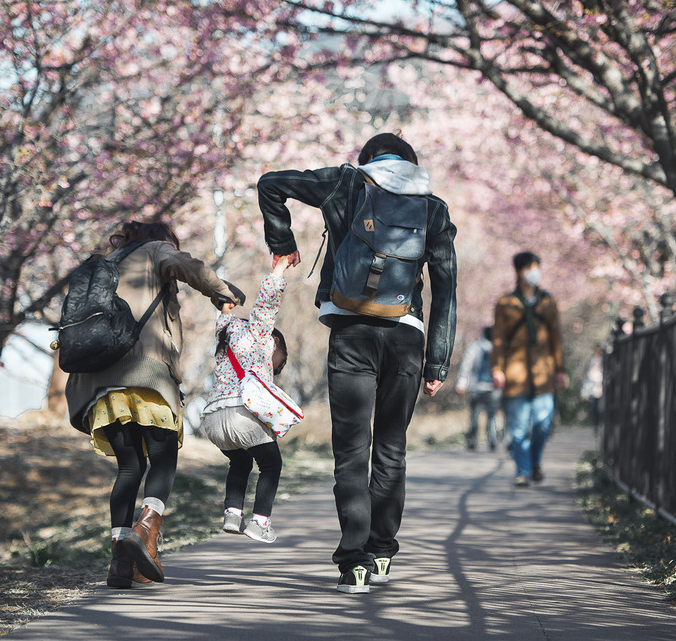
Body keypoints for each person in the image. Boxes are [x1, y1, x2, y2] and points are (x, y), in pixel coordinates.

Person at [257, 132, 457, 594]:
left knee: (350, 450)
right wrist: (437, 363)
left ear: (367, 159)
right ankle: (383, 550)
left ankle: (354, 561)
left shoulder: (346, 182)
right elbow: (446, 287)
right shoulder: (434, 207)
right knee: (391, 447)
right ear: (411, 163)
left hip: (350, 332)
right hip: (407, 337)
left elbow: (270, 182)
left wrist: (282, 242)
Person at [64, 221, 245, 589]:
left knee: (129, 468)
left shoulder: (106, 264)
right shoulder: (156, 250)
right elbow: (190, 267)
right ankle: (146, 530)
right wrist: (222, 291)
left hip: (99, 382)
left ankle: (119, 561)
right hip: (145, 372)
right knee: (163, 457)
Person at [200, 256, 292, 544]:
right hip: (242, 413)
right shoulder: (260, 334)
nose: (277, 368)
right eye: (281, 362)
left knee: (239, 462)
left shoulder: (225, 333)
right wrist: (278, 269)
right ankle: (260, 522)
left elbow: (225, 313)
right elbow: (266, 303)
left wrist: (226, 304)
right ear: (275, 342)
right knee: (271, 465)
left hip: (214, 420)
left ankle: (232, 514)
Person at [491, 251, 567, 488]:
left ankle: (535, 462)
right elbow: (498, 339)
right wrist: (497, 368)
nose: (534, 272)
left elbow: (556, 337)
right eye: (529, 267)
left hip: (544, 371)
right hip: (515, 373)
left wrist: (560, 369)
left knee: (543, 424)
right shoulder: (506, 303)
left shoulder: (548, 302)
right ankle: (523, 471)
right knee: (518, 427)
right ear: (519, 271)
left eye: (536, 266)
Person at [455, 326, 502, 451]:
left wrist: (462, 383)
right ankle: (492, 441)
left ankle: (472, 442)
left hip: (475, 387)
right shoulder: (497, 348)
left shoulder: (474, 346)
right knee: (492, 416)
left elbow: (466, 365)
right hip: (492, 388)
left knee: (474, 416)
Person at [581, 346, 604, 431]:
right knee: (595, 407)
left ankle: (599, 424)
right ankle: (596, 424)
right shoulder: (592, 360)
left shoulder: (604, 360)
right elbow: (588, 373)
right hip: (593, 387)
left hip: (601, 386)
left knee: (600, 407)